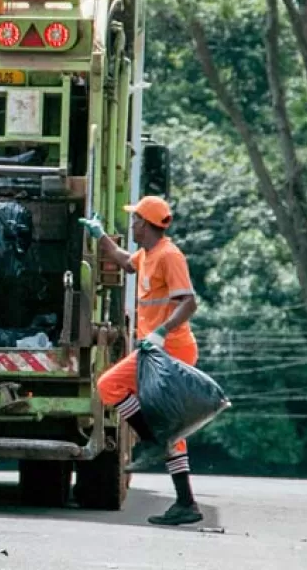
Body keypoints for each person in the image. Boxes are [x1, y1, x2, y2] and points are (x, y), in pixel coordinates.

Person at [79, 195, 203, 526]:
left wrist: (161, 332)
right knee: (170, 428)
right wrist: (99, 234)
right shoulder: (147, 255)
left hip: (170, 350)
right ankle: (185, 501)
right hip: (157, 350)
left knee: (110, 384)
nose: (131, 223)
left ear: (146, 224)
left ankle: (151, 443)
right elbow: (123, 260)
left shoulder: (169, 256)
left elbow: (189, 302)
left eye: (135, 219)